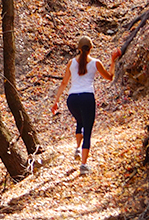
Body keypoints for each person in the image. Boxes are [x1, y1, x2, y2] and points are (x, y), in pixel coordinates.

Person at [51, 36, 121, 174]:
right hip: (87, 97)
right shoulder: (96, 63)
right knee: (87, 130)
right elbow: (109, 77)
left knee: (80, 121)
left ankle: (77, 148)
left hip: (72, 100)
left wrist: (56, 101)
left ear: (78, 48)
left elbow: (64, 82)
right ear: (91, 48)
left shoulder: (71, 63)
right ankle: (83, 165)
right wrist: (112, 61)